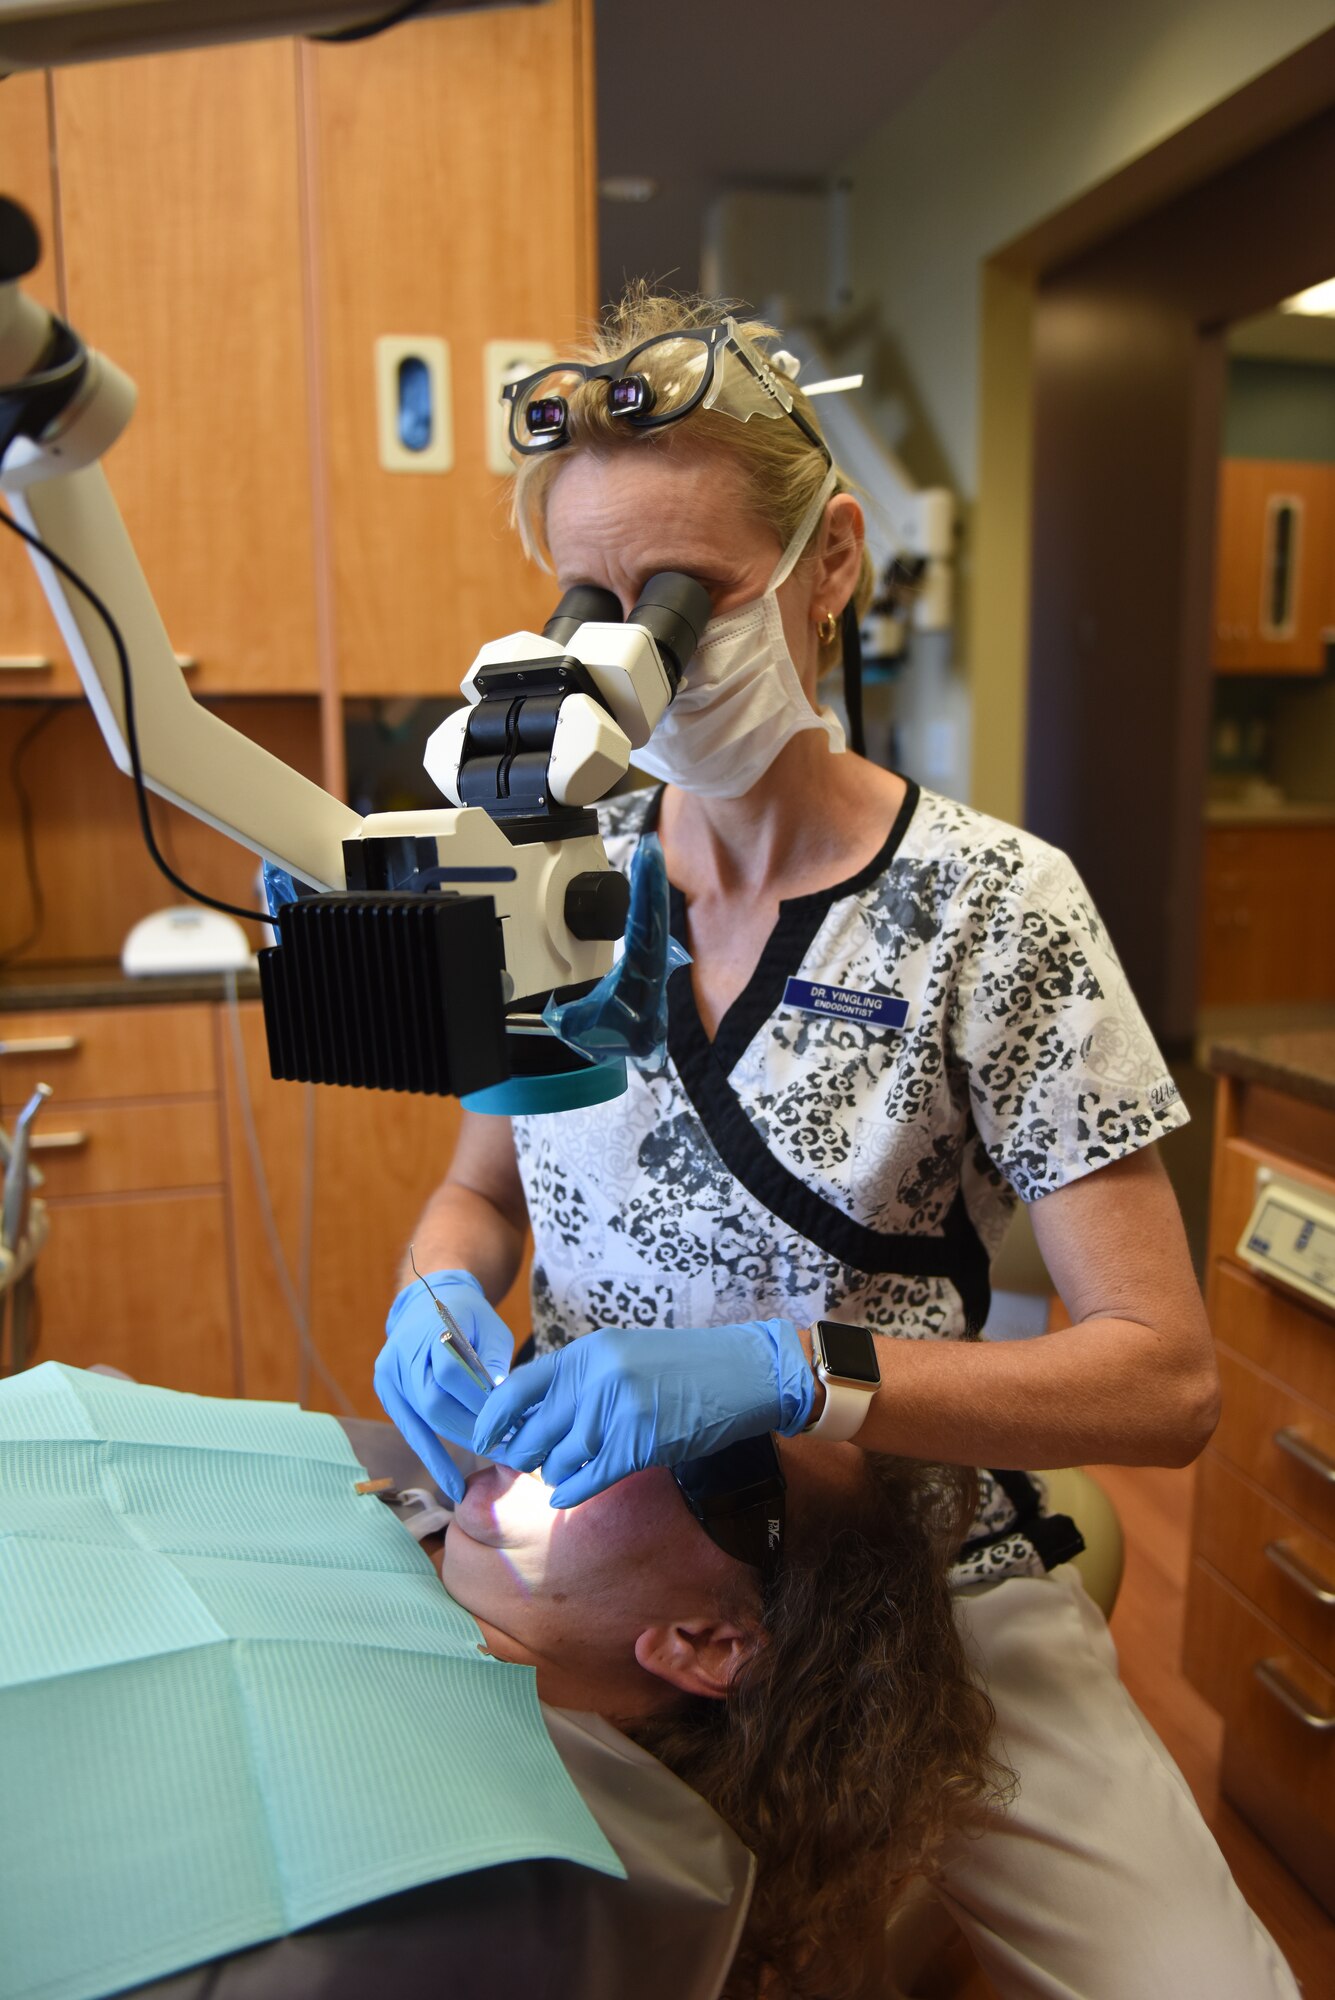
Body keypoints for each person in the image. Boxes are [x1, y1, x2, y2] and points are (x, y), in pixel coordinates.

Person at [376, 289, 1300, 1997]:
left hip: (911, 1552)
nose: (638, 659)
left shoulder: (996, 910)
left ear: (831, 557)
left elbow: (1165, 1384)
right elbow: (476, 1193)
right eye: (594, 606)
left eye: (688, 600)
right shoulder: (544, 873)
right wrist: (438, 1293)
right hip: (607, 1542)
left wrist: (794, 1371)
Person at [435, 1434, 1001, 1999]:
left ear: (711, 1645)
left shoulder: (556, 1904)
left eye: (710, 1454)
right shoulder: (412, 1505)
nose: (585, 1418)